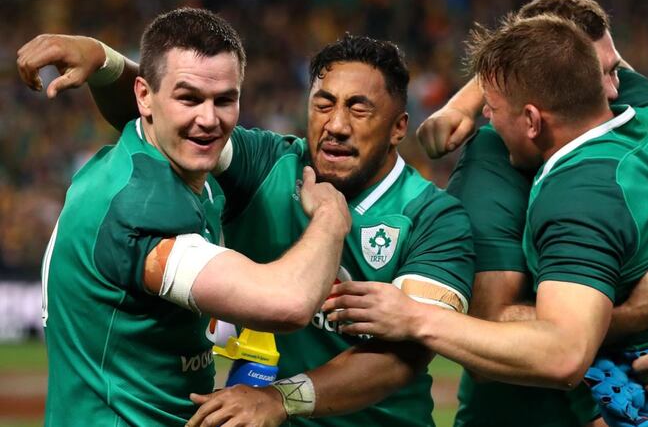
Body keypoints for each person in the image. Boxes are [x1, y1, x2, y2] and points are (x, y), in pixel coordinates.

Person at [18, 32, 475, 426]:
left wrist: (281, 398)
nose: (335, 125)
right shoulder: (269, 164)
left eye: (359, 109)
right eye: (324, 104)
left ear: (398, 127)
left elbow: (402, 357)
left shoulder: (435, 218)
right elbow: (173, 120)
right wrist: (103, 62)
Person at [325, 14, 648, 427]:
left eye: (490, 106)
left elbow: (560, 350)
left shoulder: (576, 190)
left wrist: (414, 316)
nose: (484, 116)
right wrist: (467, 99)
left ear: (532, 119)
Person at [21, 8, 351, 427]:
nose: (209, 119)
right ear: (145, 96)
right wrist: (329, 218)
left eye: (225, 100)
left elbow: (163, 106)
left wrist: (104, 61)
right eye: (189, 98)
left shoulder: (156, 161)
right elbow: (288, 305)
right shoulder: (143, 209)